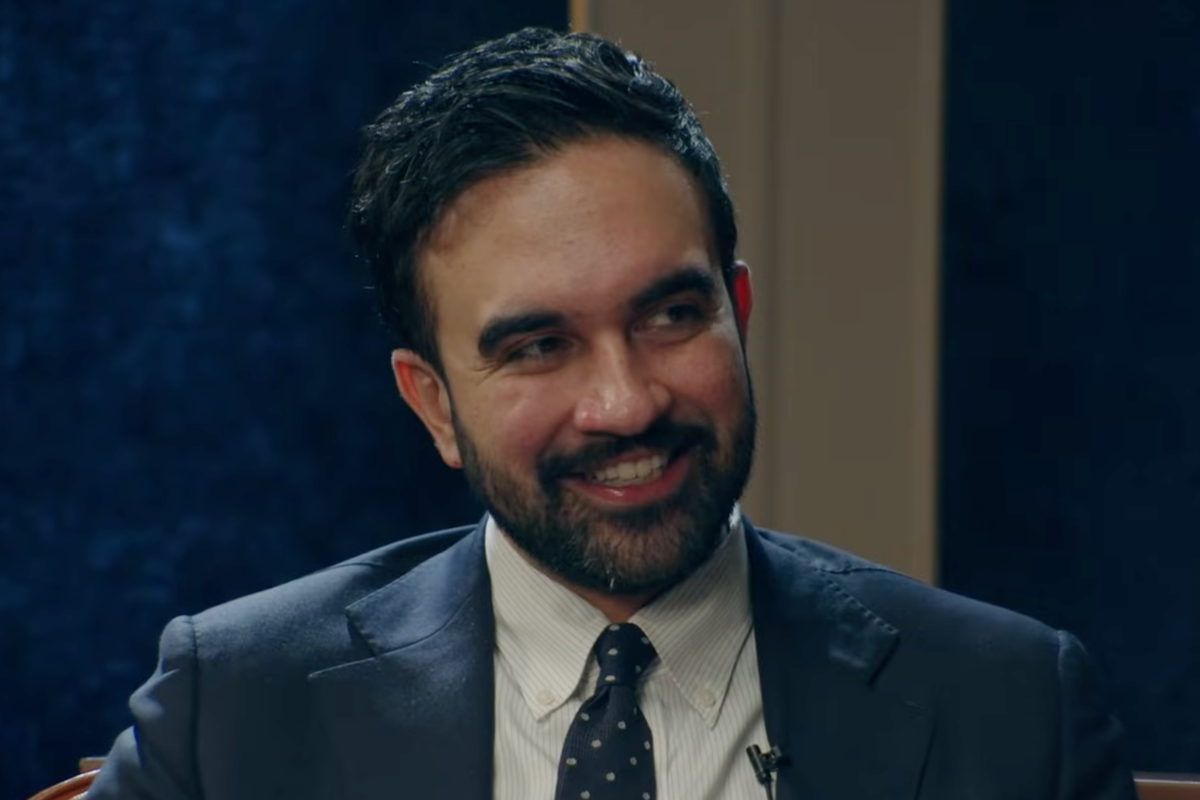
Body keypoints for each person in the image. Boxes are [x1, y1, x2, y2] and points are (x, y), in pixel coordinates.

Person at [89, 27, 1136, 800]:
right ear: (433, 403)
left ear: (738, 315)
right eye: (538, 346)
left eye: (671, 316)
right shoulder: (233, 709)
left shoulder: (1013, 711)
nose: (627, 402)